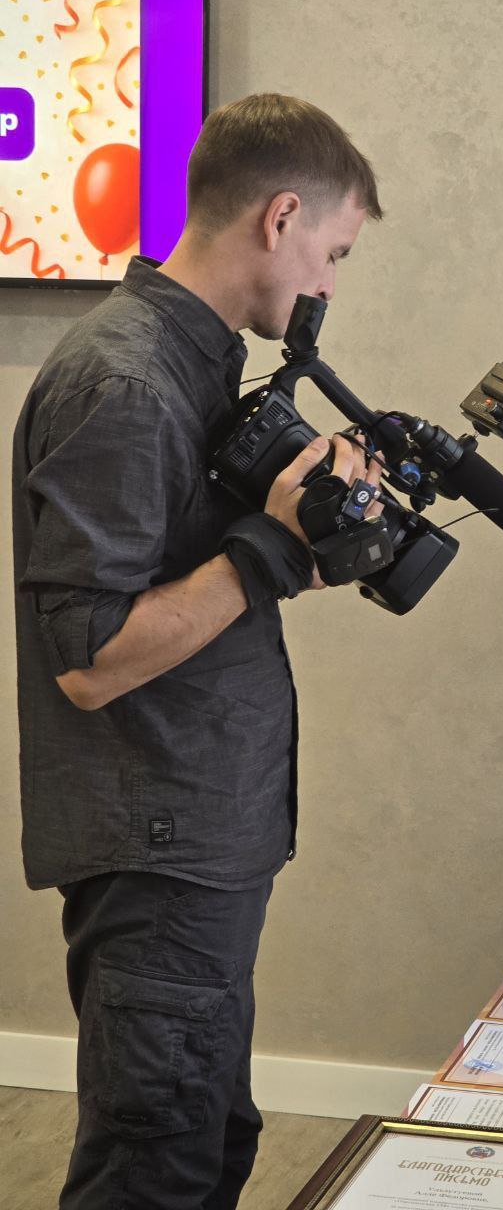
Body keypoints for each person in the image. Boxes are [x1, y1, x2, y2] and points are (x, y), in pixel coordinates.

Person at [12, 93, 384, 1209]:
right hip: (159, 850)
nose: (328, 285)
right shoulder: (127, 380)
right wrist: (270, 546)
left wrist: (303, 546)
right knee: (154, 1169)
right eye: (333, 253)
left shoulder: (198, 367)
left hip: (201, 839)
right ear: (282, 218)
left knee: (210, 1143)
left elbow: (194, 583)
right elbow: (89, 658)